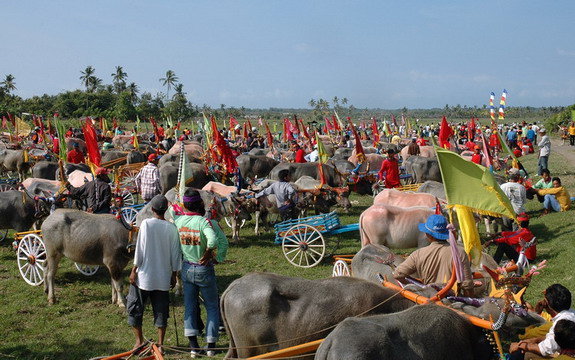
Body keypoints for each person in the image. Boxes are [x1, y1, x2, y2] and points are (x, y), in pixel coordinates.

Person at [169, 189, 228, 358]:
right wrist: (211, 254)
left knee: (190, 307)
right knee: (211, 306)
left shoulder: (179, 221)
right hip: (204, 268)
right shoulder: (203, 222)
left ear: (185, 204)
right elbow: (214, 240)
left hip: (187, 268)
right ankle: (210, 346)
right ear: (200, 204)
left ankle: (194, 347)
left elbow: (173, 212)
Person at [128, 195, 181, 354]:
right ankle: (160, 344)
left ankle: (139, 341)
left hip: (144, 276)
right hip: (163, 277)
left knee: (135, 307)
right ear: (166, 210)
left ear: (152, 209)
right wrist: (173, 275)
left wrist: (133, 270)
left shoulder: (146, 224)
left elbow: (140, 250)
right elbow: (175, 255)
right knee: (161, 311)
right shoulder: (172, 228)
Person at [393, 214, 474, 296]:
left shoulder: (418, 254)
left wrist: (417, 284)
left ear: (428, 235)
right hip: (452, 301)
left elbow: (397, 274)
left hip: (427, 299)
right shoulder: (460, 253)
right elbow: (467, 285)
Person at [508, 284, 575, 359]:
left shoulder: (560, 323)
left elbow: (545, 349)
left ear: (546, 302)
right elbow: (551, 337)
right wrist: (532, 340)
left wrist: (523, 345)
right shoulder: (571, 313)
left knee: (526, 355)